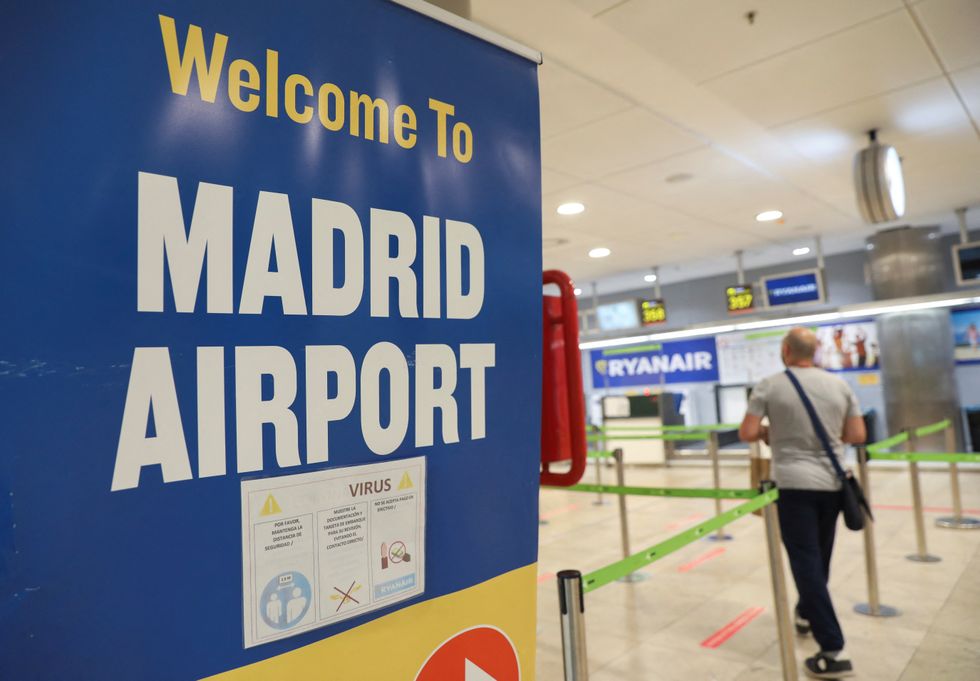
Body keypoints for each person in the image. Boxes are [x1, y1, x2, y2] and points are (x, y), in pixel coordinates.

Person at [739, 327, 866, 680]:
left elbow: (747, 432)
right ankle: (806, 612)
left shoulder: (769, 385)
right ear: (816, 351)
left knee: (805, 561)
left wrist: (772, 432)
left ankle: (834, 650)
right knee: (819, 557)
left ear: (785, 350)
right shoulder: (838, 385)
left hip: (793, 485)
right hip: (832, 484)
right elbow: (857, 435)